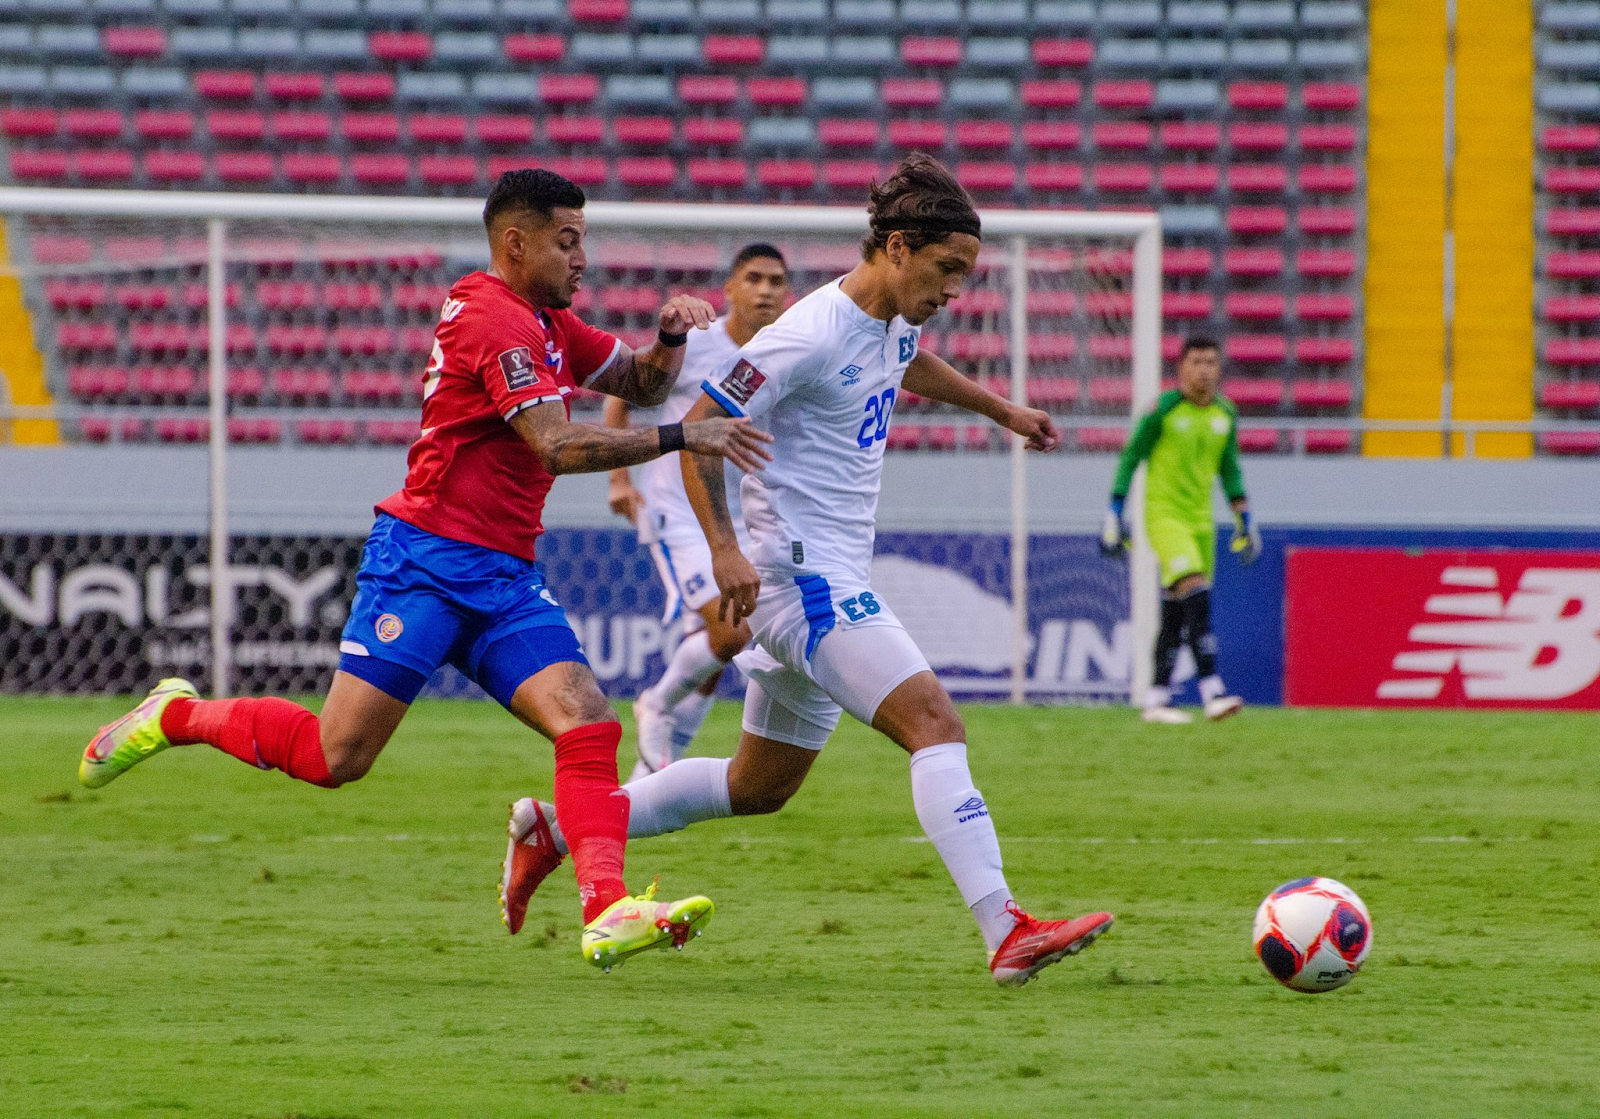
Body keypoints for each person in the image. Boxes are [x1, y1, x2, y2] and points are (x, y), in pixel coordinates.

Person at [76, 168, 773, 972]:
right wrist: (686, 438)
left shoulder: (548, 319)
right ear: (517, 242)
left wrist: (672, 338)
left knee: (587, 717)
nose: (583, 258)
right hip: (425, 564)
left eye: (584, 239)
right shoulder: (494, 320)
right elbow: (555, 443)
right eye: (567, 240)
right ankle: (175, 715)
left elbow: (641, 382)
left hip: (504, 575)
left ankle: (606, 907)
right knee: (338, 758)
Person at [502, 154, 1114, 987]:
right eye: (947, 272)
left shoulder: (892, 317)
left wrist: (999, 407)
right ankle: (1006, 929)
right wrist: (723, 549)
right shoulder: (806, 333)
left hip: (821, 578)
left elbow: (907, 360)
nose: (953, 292)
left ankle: (557, 829)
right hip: (804, 585)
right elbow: (703, 422)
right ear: (897, 247)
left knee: (759, 785)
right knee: (934, 723)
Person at [601, 244, 790, 780]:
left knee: (714, 650)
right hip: (676, 512)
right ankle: (655, 704)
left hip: (741, 517)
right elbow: (623, 391)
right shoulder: (699, 342)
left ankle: (645, 784)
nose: (765, 290)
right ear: (729, 288)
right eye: (753, 278)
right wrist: (619, 480)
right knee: (733, 632)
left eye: (776, 281)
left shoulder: (787, 349)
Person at [1099, 336, 1259, 725]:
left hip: (1202, 522)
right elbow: (1131, 455)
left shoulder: (1225, 413)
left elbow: (1230, 469)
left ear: (1219, 368)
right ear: (1181, 368)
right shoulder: (1163, 410)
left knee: (1175, 610)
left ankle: (1155, 699)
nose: (1204, 369)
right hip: (1164, 516)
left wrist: (1245, 518)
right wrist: (1114, 511)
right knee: (1195, 590)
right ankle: (1212, 690)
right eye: (1196, 362)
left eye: (1210, 361)